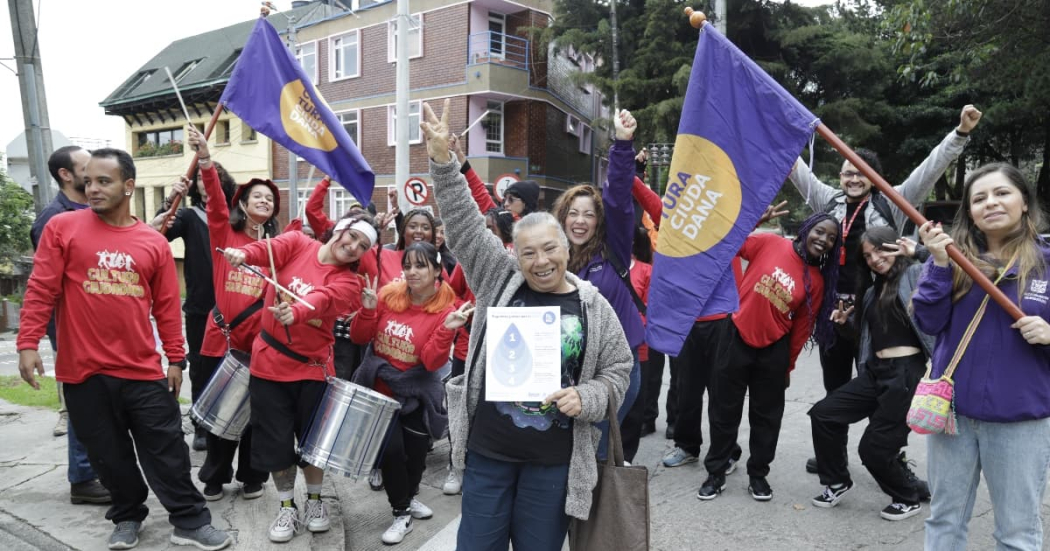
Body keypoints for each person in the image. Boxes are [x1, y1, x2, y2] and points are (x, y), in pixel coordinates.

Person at [423, 99, 632, 550]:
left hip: (554, 464)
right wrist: (443, 162)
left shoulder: (592, 306)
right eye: (528, 252)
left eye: (549, 249)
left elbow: (618, 371)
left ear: (566, 246)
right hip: (489, 455)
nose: (541, 261)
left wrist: (587, 395)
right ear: (514, 255)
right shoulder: (499, 278)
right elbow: (462, 226)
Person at [18, 148, 231, 550]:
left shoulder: (152, 242)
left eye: (104, 181)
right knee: (108, 456)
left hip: (141, 370)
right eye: (89, 181)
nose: (92, 188)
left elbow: (167, 306)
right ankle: (128, 514)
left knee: (168, 450)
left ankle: (188, 519)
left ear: (128, 186)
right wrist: (27, 342)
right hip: (82, 371)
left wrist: (175, 358)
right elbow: (42, 288)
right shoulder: (62, 228)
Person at [788, 106, 982, 473]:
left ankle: (891, 453)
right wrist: (774, 136)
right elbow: (797, 171)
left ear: (874, 178)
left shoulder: (891, 203)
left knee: (885, 387)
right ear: (840, 176)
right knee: (835, 387)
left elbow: (929, 170)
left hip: (877, 313)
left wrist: (959, 135)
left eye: (861, 173)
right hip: (833, 314)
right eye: (847, 172)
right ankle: (835, 452)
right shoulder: (827, 200)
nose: (854, 179)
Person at [914, 163, 1050, 550]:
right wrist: (940, 264)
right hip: (951, 415)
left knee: (1017, 533)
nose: (991, 203)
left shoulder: (1046, 263)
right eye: (979, 198)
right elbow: (928, 319)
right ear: (970, 212)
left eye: (1002, 193)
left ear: (1024, 202)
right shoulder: (952, 259)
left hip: (1020, 421)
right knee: (944, 521)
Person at [221, 210, 371, 544]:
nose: (353, 247)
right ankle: (287, 506)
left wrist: (297, 311)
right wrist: (243, 253)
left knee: (312, 446)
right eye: (352, 237)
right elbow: (267, 249)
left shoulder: (348, 281)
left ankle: (316, 502)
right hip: (268, 366)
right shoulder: (298, 243)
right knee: (275, 446)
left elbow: (323, 300)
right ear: (340, 230)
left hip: (312, 370)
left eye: (362, 247)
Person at [699, 212, 841, 502]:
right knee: (723, 411)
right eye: (820, 231)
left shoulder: (816, 281)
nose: (823, 240)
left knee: (767, 418)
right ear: (806, 229)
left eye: (831, 238)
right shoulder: (770, 243)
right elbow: (731, 243)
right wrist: (754, 220)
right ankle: (716, 472)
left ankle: (758, 475)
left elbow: (801, 330)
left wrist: (786, 367)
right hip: (736, 335)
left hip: (774, 350)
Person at [350, 242, 472, 544]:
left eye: (420, 266)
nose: (412, 272)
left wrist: (447, 330)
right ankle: (401, 512)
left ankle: (409, 495)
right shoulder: (387, 296)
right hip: (381, 393)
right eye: (408, 266)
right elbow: (359, 337)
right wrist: (367, 312)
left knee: (416, 457)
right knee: (392, 453)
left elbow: (432, 361)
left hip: (418, 393)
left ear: (436, 271)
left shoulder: (446, 310)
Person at [808, 226, 933, 520]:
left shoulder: (914, 275)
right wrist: (842, 323)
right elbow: (868, 337)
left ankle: (906, 496)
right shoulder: (869, 292)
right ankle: (837, 480)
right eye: (868, 255)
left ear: (895, 246)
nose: (875, 258)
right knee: (824, 414)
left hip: (906, 374)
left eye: (880, 250)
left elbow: (954, 265)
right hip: (875, 372)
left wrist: (919, 251)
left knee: (873, 448)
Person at [182, 127, 272, 502]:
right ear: (242, 202)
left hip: (261, 347)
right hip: (223, 339)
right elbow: (215, 201)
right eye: (257, 196)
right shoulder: (224, 233)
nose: (264, 201)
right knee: (222, 412)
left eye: (270, 198)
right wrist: (204, 160)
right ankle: (215, 476)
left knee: (254, 415)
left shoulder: (274, 247)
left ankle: (252, 475)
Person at [551, 109, 644, 461]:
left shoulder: (612, 247)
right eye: (573, 212)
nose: (580, 220)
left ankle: (600, 514)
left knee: (598, 449)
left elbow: (619, 197)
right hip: (571, 369)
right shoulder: (552, 259)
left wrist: (622, 144)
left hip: (614, 369)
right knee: (570, 450)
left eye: (589, 213)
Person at [30, 145, 111, 506]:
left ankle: (98, 469)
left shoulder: (92, 210)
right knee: (82, 402)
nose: (92, 171)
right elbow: (45, 286)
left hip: (98, 326)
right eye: (85, 167)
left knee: (102, 403)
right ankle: (82, 477)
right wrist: (28, 343)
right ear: (66, 174)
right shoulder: (53, 220)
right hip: (71, 328)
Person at [150, 160, 237, 452]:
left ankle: (231, 421)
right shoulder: (188, 216)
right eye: (198, 177)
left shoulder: (235, 218)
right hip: (202, 307)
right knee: (201, 367)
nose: (204, 181)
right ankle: (201, 423)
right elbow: (156, 234)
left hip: (236, 307)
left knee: (235, 367)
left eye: (211, 176)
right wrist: (169, 199)